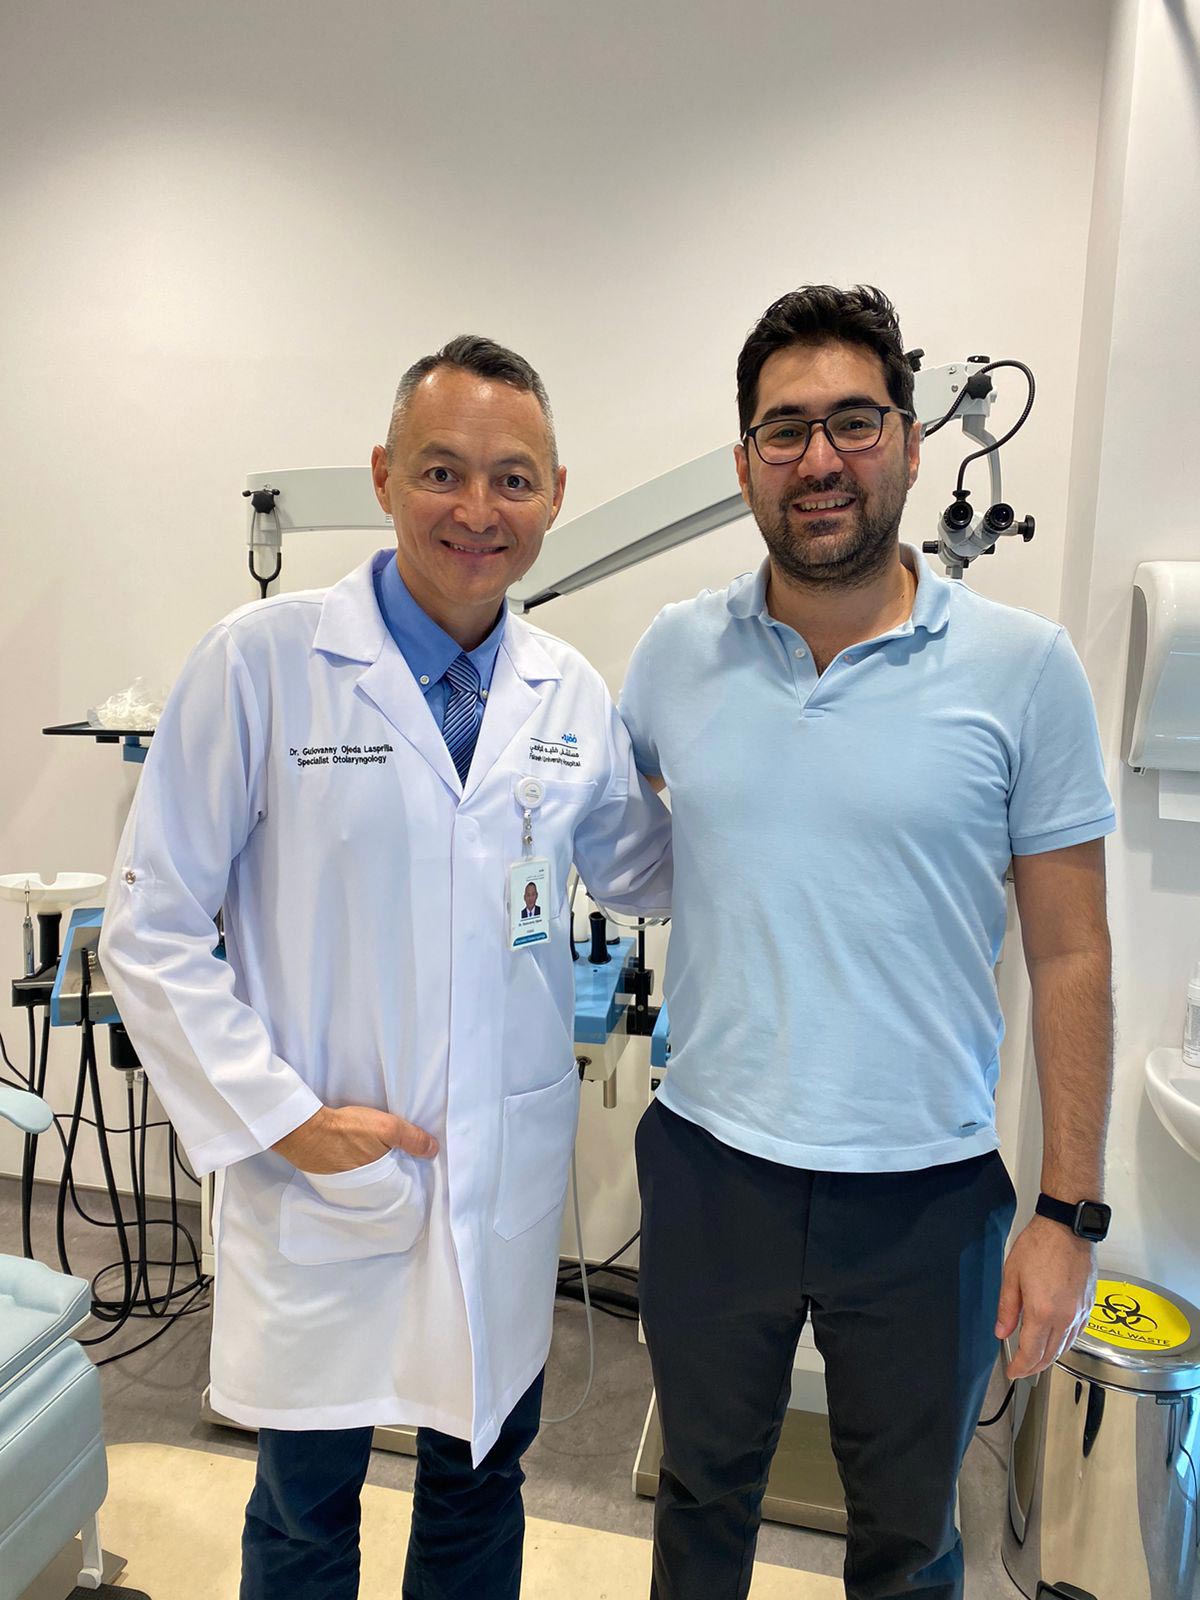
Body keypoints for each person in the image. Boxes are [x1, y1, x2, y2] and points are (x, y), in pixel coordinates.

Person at [99, 335, 672, 1600]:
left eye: (513, 478)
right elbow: (148, 925)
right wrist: (282, 1118)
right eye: (441, 470)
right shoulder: (262, 662)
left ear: (556, 495)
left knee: (482, 1487)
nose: (477, 509)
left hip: (498, 1178)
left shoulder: (568, 694)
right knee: (306, 1510)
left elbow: (648, 868)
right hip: (322, 1174)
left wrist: (770, 767)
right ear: (382, 475)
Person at [620, 285, 1115, 1600]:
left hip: (926, 1192)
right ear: (745, 463)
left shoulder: (1024, 670)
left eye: (853, 420)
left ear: (908, 441)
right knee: (700, 1499)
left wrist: (1066, 1213)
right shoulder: (674, 655)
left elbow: (1073, 952)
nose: (820, 458)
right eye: (785, 429)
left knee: (908, 1539)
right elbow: (618, 834)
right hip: (712, 1166)